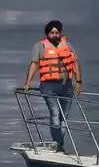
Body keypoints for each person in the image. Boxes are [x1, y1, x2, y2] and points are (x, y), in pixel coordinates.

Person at [22, 20, 82, 152]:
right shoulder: (39, 46)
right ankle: (58, 143)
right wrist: (28, 83)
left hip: (66, 86)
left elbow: (75, 63)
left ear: (60, 33)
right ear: (47, 34)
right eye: (51, 32)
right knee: (54, 113)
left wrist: (78, 82)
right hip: (49, 86)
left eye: (57, 32)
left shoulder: (67, 46)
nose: (54, 35)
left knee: (64, 116)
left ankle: (60, 144)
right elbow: (34, 65)